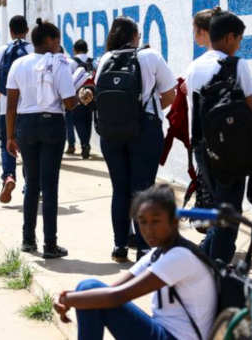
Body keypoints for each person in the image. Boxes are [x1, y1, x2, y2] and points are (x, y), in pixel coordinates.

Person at [53, 184, 217, 340]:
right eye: (142, 222)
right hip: (162, 332)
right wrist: (71, 297)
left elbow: (117, 296)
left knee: (89, 289)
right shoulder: (158, 253)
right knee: (89, 291)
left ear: (174, 221)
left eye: (156, 221)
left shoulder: (180, 257)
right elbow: (113, 290)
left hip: (173, 337)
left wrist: (69, 300)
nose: (148, 229)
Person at [94, 17, 176, 262]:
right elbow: (170, 93)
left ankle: (120, 246)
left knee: (119, 190)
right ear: (135, 36)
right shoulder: (150, 57)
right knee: (143, 190)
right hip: (144, 131)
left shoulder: (105, 59)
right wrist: (147, 111)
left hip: (111, 133)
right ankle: (143, 246)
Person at [184, 10, 252, 264]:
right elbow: (250, 107)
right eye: (239, 39)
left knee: (217, 207)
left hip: (202, 147)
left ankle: (206, 257)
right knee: (230, 212)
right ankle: (218, 268)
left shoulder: (194, 66)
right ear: (228, 38)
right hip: (232, 151)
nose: (239, 44)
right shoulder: (238, 65)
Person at [5, 18, 78, 258]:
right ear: (49, 40)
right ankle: (50, 244)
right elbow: (69, 102)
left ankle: (28, 240)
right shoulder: (59, 64)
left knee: (32, 185)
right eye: (57, 39)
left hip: (25, 126)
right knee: (50, 185)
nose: (59, 44)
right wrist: (81, 96)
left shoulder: (18, 64)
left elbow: (11, 104)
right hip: (51, 124)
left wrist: (9, 136)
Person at [0, 15, 34, 203]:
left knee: (6, 143)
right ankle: (29, 186)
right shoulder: (33, 50)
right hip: (27, 108)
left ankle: (8, 176)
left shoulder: (2, 50)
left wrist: (0, 96)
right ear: (27, 30)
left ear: (10, 30)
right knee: (28, 147)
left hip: (5, 107)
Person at [66, 39, 96, 159]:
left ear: (74, 49)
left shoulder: (71, 62)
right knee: (88, 120)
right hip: (91, 95)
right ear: (87, 49)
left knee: (78, 121)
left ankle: (84, 144)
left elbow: (68, 80)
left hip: (77, 97)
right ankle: (86, 143)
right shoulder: (93, 61)